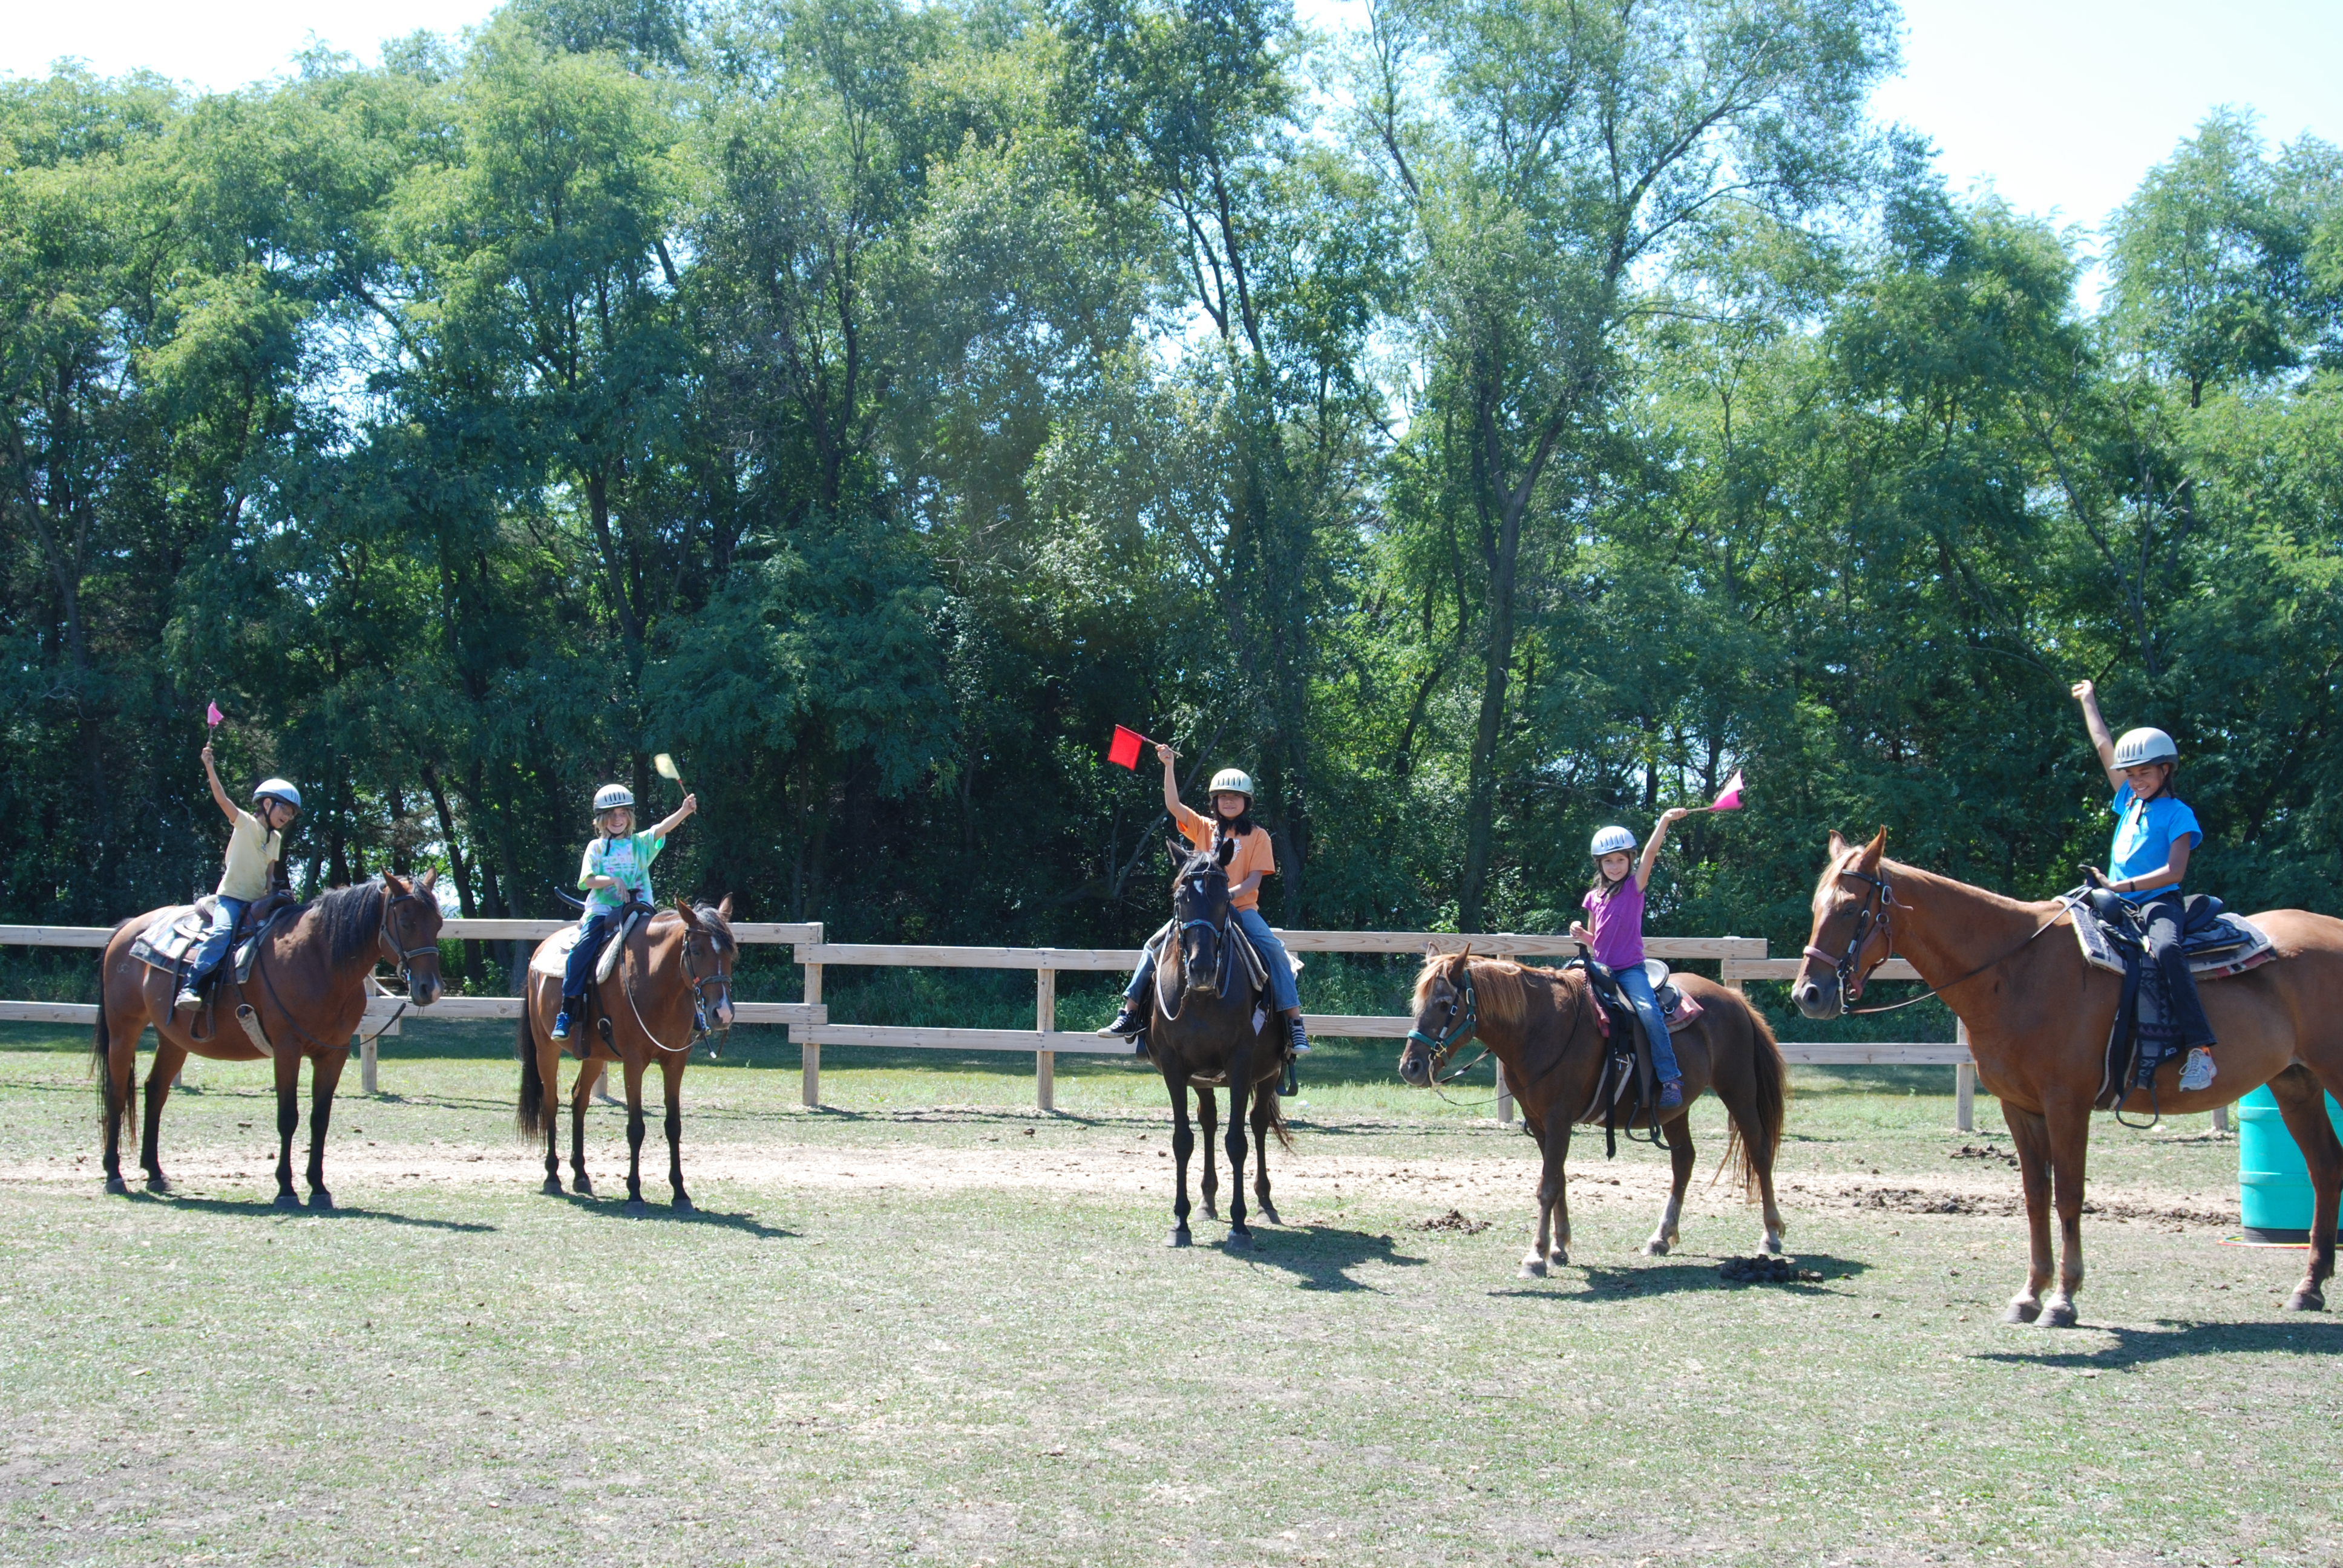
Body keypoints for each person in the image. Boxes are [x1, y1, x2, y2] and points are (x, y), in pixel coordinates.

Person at [1099, 743, 1308, 1056]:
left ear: (1246, 802)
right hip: (1201, 913)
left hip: (1243, 910)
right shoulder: (1203, 827)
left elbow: (1254, 878)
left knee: (1276, 953)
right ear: (1214, 801)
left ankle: (1294, 1024)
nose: (1229, 801)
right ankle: (1129, 1014)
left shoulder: (1259, 836)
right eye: (1223, 797)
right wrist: (1168, 765)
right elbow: (1173, 804)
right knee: (1153, 946)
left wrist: (1228, 895)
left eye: (1235, 797)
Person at [2071, 680, 2217, 1089]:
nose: (2136, 780)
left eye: (2144, 773)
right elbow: (2104, 746)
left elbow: (2175, 873)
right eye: (2130, 774)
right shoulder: (2129, 802)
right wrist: (2089, 701)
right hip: (2115, 898)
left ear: (2165, 770)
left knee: (2168, 948)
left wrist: (2123, 887)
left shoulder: (2179, 815)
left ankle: (2201, 1051)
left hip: (2157, 902)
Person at [552, 782, 698, 1044]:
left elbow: (661, 828)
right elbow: (587, 881)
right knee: (582, 950)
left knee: (674, 949)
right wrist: (612, 881)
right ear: (601, 819)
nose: (617, 820)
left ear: (629, 817)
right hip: (602, 911)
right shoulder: (595, 848)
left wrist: (684, 811)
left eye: (623, 814)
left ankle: (694, 1010)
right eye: (611, 815)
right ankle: (568, 1009)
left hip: (641, 912)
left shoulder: (639, 844)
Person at [1569, 812, 1691, 1109]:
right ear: (1600, 864)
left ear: (1630, 861)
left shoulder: (1635, 888)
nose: (1614, 867)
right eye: (1608, 861)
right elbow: (1596, 940)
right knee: (1561, 1001)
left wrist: (1664, 821)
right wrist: (1581, 933)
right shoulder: (1593, 898)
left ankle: (1670, 1077)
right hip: (1600, 968)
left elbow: (1651, 852)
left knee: (1649, 1012)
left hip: (1629, 971)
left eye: (1620, 860)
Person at [176, 744, 301, 1011]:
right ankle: (191, 986)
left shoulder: (276, 839)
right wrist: (209, 766)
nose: (288, 817)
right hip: (232, 899)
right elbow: (222, 799)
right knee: (222, 932)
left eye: (291, 814)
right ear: (267, 804)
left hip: (257, 904)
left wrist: (276, 895)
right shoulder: (244, 822)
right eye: (285, 810)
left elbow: (269, 875)